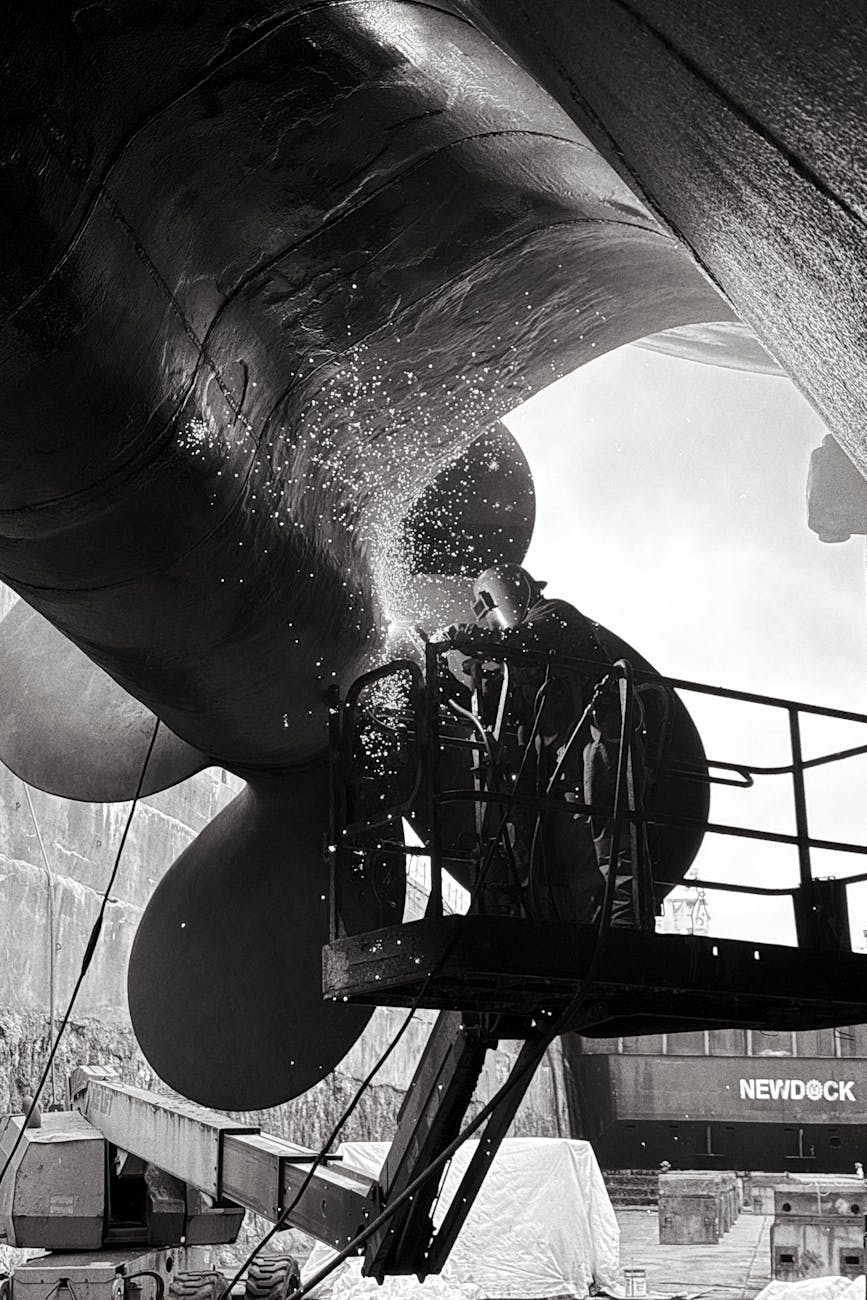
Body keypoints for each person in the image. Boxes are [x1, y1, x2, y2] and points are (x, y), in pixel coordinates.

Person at [449, 563, 646, 922]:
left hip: (592, 746)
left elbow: (524, 642)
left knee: (603, 840)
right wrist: (473, 673)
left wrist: (472, 639)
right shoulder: (521, 652)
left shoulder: (555, 614)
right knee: (565, 850)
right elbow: (511, 697)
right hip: (559, 768)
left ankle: (618, 931)